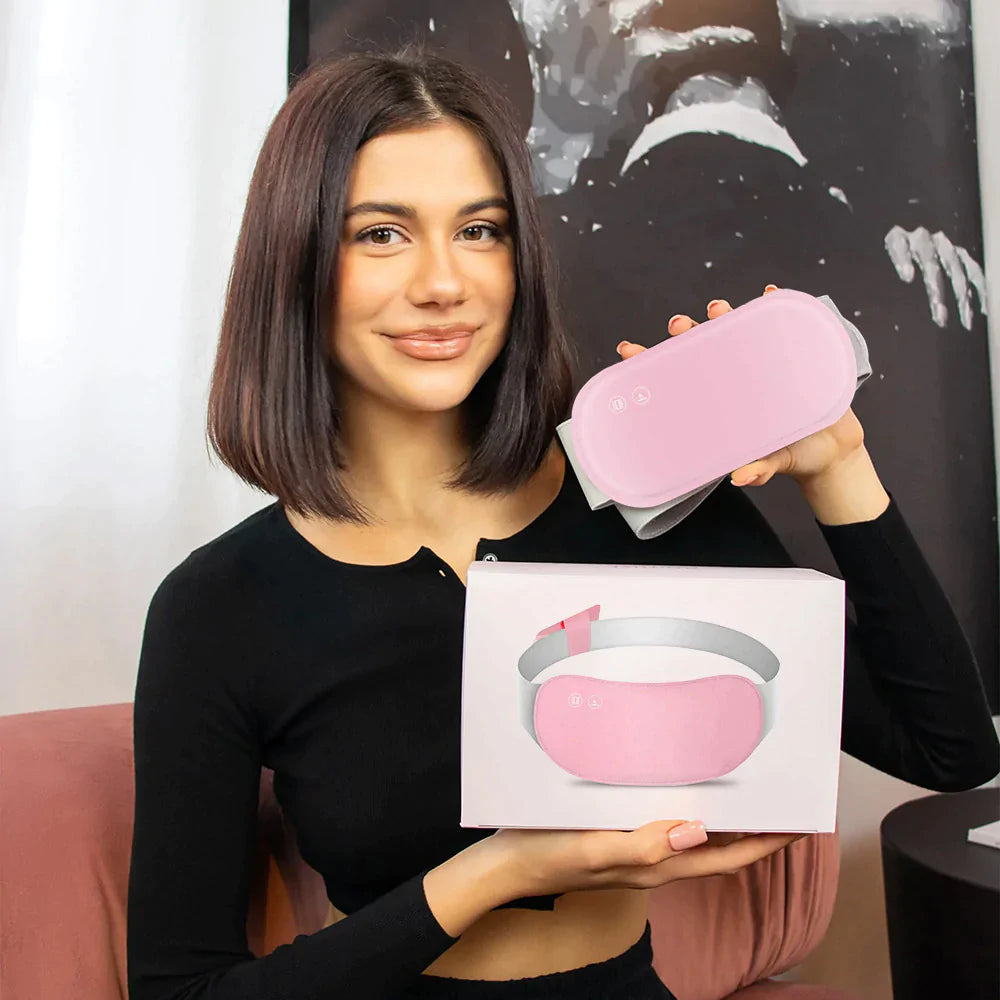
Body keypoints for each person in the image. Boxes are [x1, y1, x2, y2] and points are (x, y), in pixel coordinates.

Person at [126, 48, 999, 1000]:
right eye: (380, 233)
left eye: (481, 230)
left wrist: (837, 466)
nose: (443, 283)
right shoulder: (221, 606)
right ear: (295, 262)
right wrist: (499, 871)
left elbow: (948, 750)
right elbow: (180, 990)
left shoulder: (640, 502)